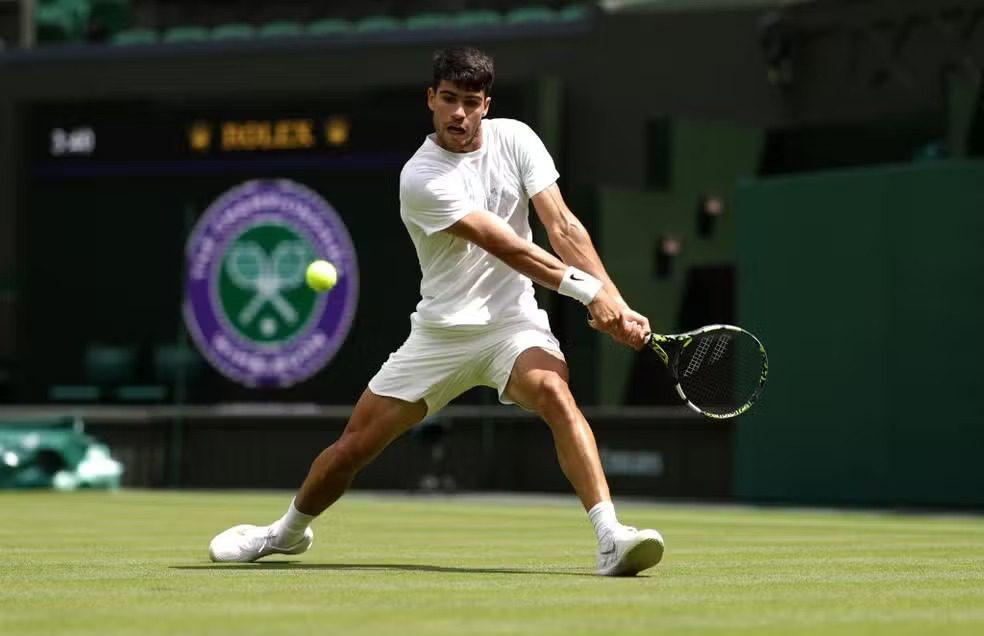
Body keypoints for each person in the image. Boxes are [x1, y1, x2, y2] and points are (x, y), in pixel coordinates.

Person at [209, 47, 664, 576]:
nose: (459, 114)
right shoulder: (420, 177)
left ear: (486, 104)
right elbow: (505, 245)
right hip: (441, 334)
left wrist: (617, 303)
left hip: (513, 325)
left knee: (555, 394)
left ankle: (611, 537)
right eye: (449, 99)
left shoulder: (518, 140)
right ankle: (284, 534)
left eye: (471, 102)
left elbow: (563, 226)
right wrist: (590, 293)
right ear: (431, 99)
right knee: (353, 448)